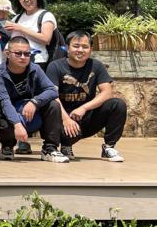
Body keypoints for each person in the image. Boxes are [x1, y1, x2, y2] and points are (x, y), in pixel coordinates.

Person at [45, 30, 127, 162]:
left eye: (85, 47)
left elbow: (107, 92)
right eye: (76, 46)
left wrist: (84, 108)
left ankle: (109, 147)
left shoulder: (96, 66)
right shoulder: (55, 66)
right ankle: (62, 145)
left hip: (85, 118)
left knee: (117, 104)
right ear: (67, 48)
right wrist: (66, 119)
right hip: (61, 119)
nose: (80, 50)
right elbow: (52, 95)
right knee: (53, 106)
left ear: (91, 49)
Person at [0, 37, 68, 163]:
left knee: (53, 104)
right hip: (11, 115)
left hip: (32, 114)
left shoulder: (35, 69)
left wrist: (35, 102)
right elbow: (4, 101)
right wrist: (17, 124)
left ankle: (49, 148)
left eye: (27, 54)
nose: (23, 57)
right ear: (7, 54)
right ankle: (7, 146)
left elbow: (52, 90)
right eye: (18, 53)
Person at [5, 0, 58, 67]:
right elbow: (5, 35)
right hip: (16, 62)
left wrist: (20, 28)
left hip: (37, 62)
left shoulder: (46, 15)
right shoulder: (17, 18)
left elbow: (46, 39)